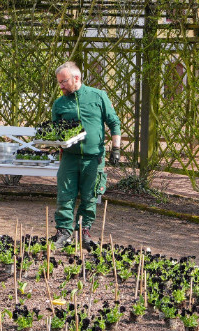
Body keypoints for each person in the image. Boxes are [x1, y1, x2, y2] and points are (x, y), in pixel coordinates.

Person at [51, 61, 121, 248]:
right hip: (69, 157)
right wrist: (52, 143)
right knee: (65, 194)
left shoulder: (98, 97)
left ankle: (84, 232)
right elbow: (55, 131)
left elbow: (114, 122)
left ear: (76, 78)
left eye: (64, 81)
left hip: (93, 157)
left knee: (90, 196)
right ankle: (64, 232)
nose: (61, 86)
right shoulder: (59, 104)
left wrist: (116, 148)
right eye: (59, 82)